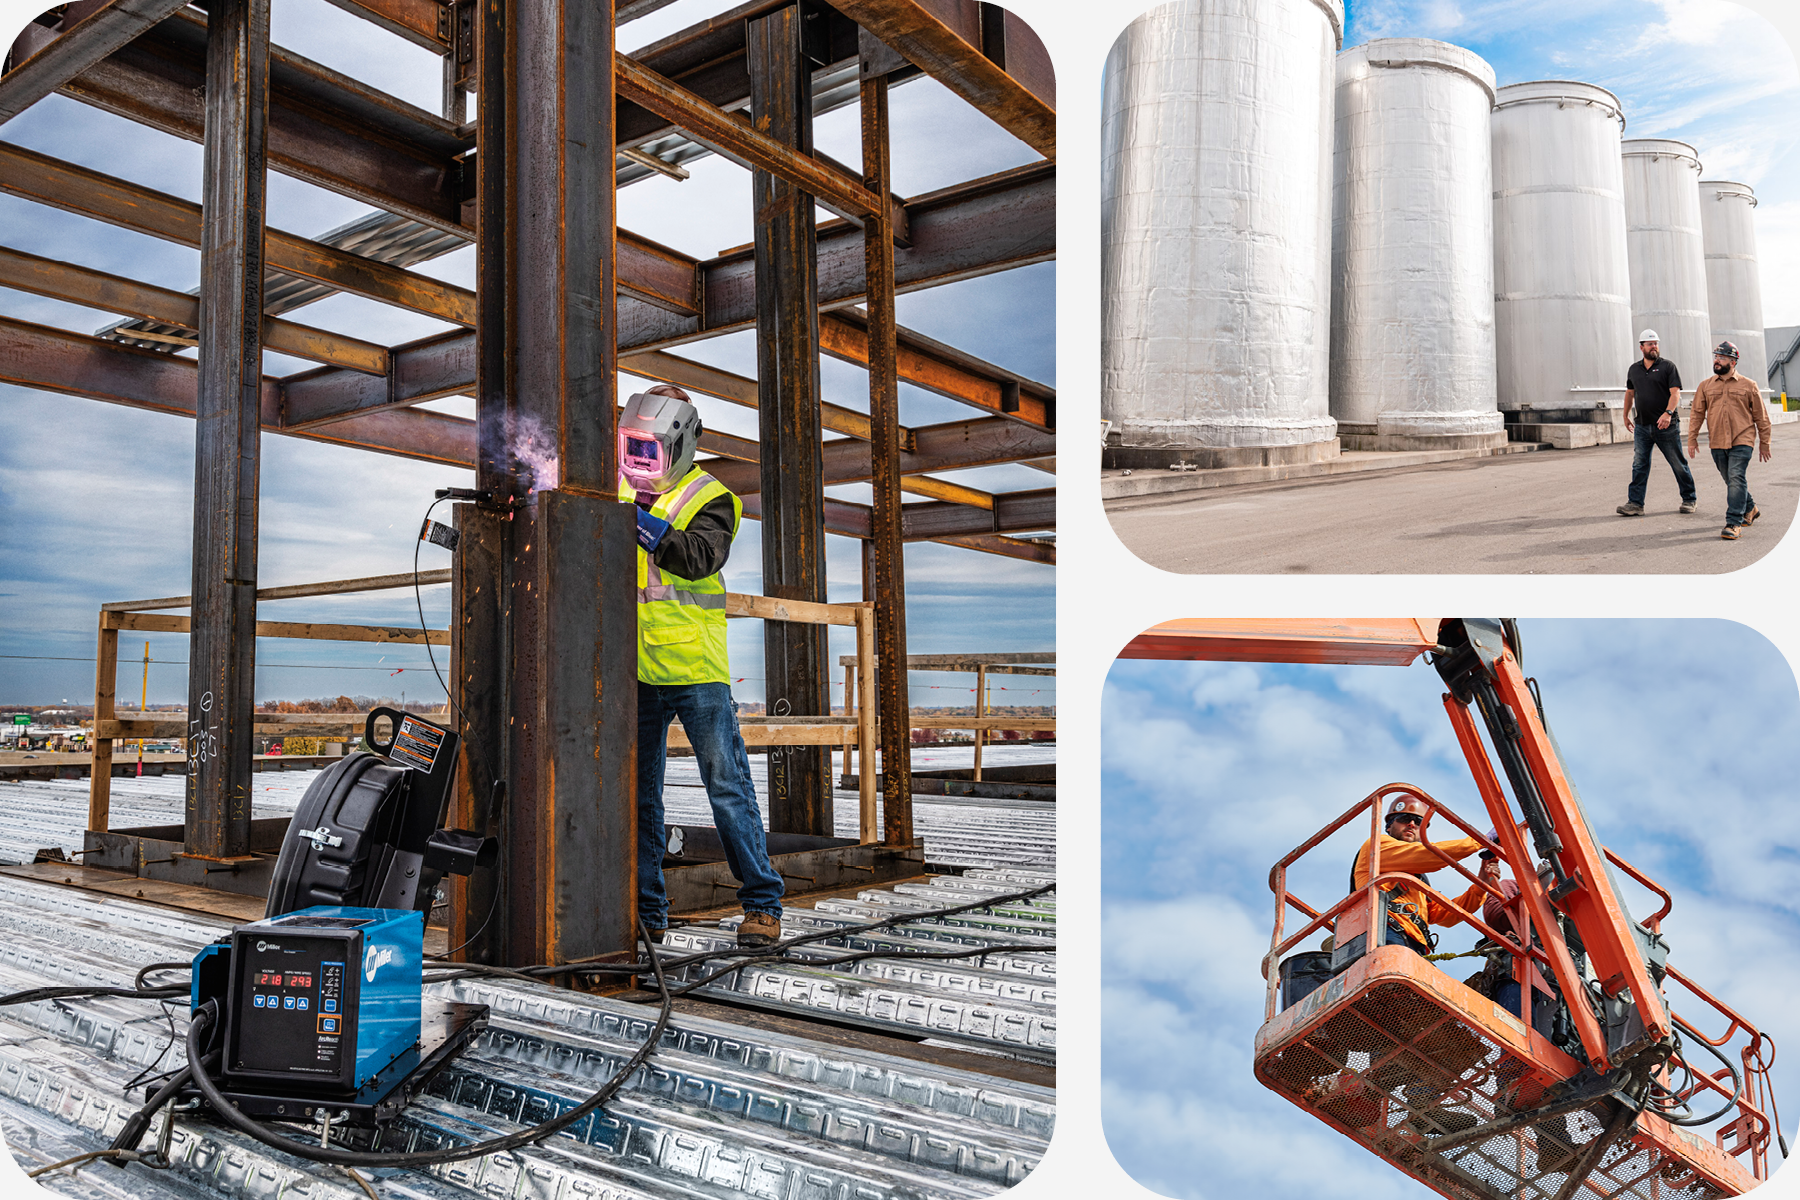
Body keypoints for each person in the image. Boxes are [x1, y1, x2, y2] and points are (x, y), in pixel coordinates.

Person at [620, 383, 784, 948]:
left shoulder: (710, 496)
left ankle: (763, 904)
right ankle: (648, 913)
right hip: (635, 672)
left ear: (680, 436)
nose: (641, 461)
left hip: (695, 669)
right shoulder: (617, 490)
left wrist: (641, 523)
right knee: (638, 795)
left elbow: (698, 557)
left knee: (726, 786)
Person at [1350, 796, 1497, 956]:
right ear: (1389, 825)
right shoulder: (1376, 847)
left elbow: (1444, 915)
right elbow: (1429, 854)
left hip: (1415, 943)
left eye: (1418, 821)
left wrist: (1481, 883)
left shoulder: (1416, 877)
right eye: (1404, 818)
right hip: (1383, 931)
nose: (1411, 824)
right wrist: (1480, 841)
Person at [1687, 340, 1773, 540]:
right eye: (1716, 357)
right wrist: (1692, 439)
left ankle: (1734, 522)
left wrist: (1764, 442)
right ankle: (1750, 508)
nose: (1717, 361)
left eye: (1722, 358)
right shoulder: (1705, 386)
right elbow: (1697, 414)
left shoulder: (1749, 385)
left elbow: (1761, 416)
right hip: (1717, 440)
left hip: (1742, 439)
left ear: (1733, 362)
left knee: (1735, 477)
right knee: (1731, 480)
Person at [1616, 329, 1697, 517]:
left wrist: (1668, 413)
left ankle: (1689, 499)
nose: (1654, 347)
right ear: (1641, 347)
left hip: (1666, 427)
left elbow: (1675, 393)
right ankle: (1636, 503)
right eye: (1650, 344)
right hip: (1642, 426)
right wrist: (1625, 415)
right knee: (1639, 465)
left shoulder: (1668, 367)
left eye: (1656, 343)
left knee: (1677, 463)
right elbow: (1630, 393)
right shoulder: (1634, 369)